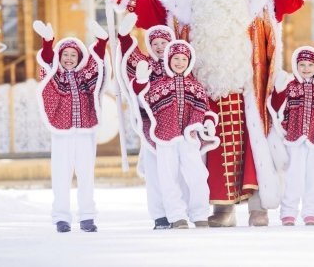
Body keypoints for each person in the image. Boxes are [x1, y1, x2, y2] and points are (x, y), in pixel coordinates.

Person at [99, 0, 314, 227]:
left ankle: (258, 207)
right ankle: (221, 208)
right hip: (202, 90)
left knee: (255, 148)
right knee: (212, 152)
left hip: (248, 88)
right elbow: (152, 10)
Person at [132, 40, 220, 229]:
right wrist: (140, 83)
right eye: (175, 59)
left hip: (189, 137)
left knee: (197, 175)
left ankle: (200, 213)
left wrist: (209, 123)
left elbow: (204, 108)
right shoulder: (159, 86)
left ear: (189, 61)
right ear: (168, 60)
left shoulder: (194, 86)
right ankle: (176, 215)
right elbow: (143, 102)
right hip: (165, 137)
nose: (179, 62)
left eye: (183, 59)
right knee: (168, 177)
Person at [33, 19, 108, 233]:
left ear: (79, 57)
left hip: (85, 131)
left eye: (73, 55)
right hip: (62, 131)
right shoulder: (53, 74)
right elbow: (46, 62)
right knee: (61, 174)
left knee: (86, 174)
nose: (68, 59)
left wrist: (102, 42)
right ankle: (61, 217)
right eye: (65, 54)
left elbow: (99, 65)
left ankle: (87, 216)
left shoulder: (86, 75)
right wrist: (48, 43)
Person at [116, 12, 178, 230]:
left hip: (177, 127)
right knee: (154, 173)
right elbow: (129, 58)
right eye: (156, 43)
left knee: (176, 172)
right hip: (152, 125)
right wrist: (124, 37)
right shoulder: (146, 64)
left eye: (164, 42)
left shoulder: (180, 63)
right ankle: (160, 215)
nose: (160, 46)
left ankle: (178, 212)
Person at [268, 46, 314, 226]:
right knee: (294, 176)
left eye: (310, 65)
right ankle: (288, 212)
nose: (306, 69)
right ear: (296, 66)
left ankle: (311, 212)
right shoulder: (290, 87)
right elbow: (277, 107)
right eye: (302, 65)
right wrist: (278, 89)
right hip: (295, 136)